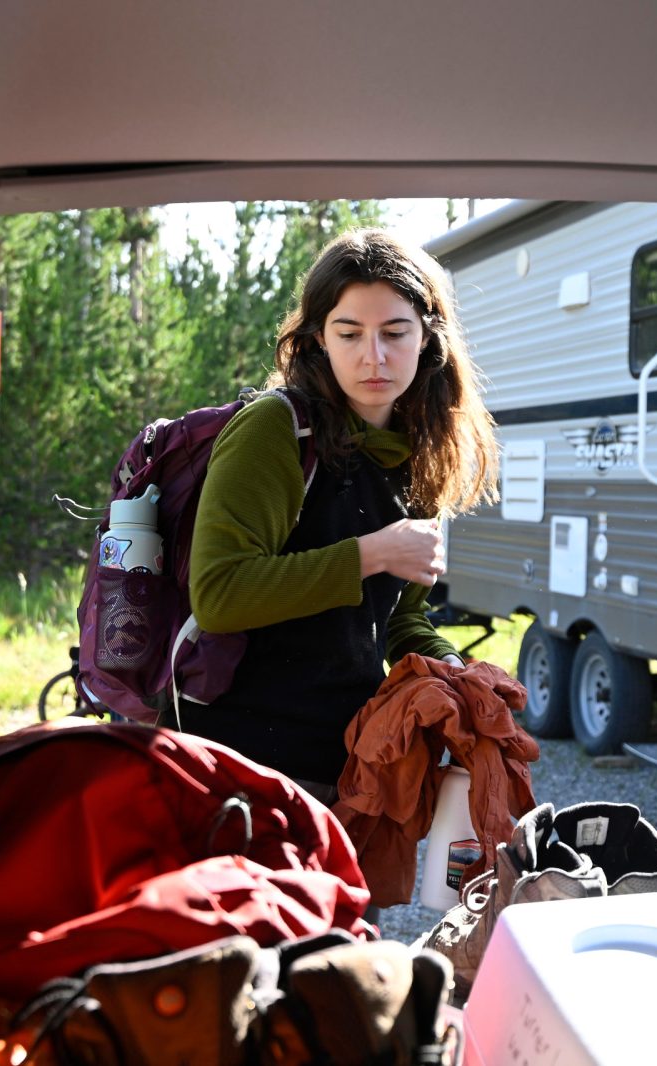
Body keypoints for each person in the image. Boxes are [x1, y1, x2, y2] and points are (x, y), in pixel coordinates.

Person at [175, 228, 501, 801]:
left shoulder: (414, 451)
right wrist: (372, 553)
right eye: (349, 333)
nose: (373, 356)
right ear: (318, 339)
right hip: (234, 764)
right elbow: (220, 595)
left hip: (342, 764)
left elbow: (399, 620)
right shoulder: (276, 431)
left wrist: (459, 673)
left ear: (428, 339)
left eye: (395, 333)